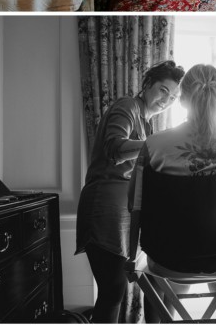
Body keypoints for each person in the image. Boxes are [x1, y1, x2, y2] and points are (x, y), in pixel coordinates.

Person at [127, 64, 216, 320]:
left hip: (170, 259)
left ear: (183, 99)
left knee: (165, 272)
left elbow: (133, 203)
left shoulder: (155, 146)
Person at [75, 60, 185, 323]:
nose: (166, 100)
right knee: (112, 290)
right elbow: (115, 148)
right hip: (105, 205)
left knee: (143, 285)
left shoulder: (147, 127)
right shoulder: (127, 106)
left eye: (173, 97)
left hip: (127, 211)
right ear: (147, 84)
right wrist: (157, 143)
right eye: (163, 90)